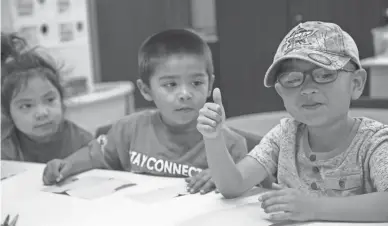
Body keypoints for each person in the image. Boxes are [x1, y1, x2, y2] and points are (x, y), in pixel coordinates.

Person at [197, 21, 388, 222]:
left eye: (324, 75)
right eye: (292, 79)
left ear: (356, 83)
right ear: (281, 92)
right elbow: (233, 186)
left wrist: (313, 207)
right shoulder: (284, 135)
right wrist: (213, 138)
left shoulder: (375, 142)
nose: (307, 89)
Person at [42, 29, 247, 194]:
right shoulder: (129, 130)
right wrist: (65, 165)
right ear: (146, 90)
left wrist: (223, 173)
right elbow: (96, 155)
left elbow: (247, 186)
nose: (185, 94)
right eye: (170, 85)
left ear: (210, 84)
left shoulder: (230, 143)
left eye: (196, 82)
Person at [1, 32, 93, 163]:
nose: (42, 113)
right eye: (26, 106)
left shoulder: (83, 142)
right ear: (8, 114)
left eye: (50, 100)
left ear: (62, 101)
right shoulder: (6, 151)